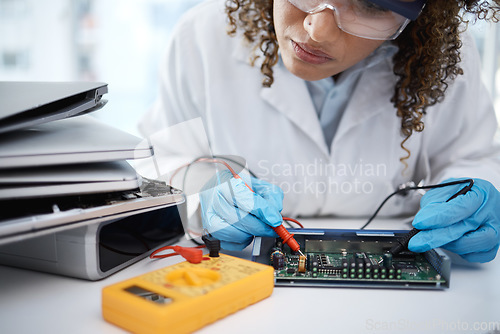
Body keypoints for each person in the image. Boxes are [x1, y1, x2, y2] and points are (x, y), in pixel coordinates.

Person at [138, 0, 500, 263]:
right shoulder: (202, 37)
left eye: (372, 6)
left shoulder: (442, 57)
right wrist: (202, 191)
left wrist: (470, 196)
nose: (318, 31)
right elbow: (163, 159)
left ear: (416, 17)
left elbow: (471, 156)